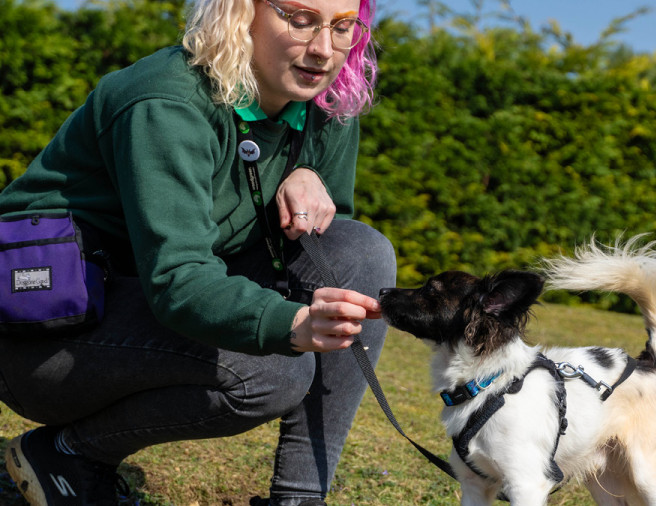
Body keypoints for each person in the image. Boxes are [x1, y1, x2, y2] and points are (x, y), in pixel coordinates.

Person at [0, 0, 394, 505]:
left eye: (343, 27)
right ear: (239, 11)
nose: (322, 49)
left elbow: (325, 232)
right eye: (299, 19)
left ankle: (299, 498)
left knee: (362, 252)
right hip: (43, 330)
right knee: (275, 369)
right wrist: (288, 323)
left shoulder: (327, 101)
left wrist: (308, 172)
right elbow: (179, 280)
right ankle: (68, 452)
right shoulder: (167, 98)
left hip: (150, 307)